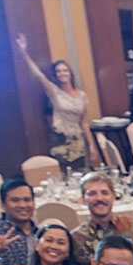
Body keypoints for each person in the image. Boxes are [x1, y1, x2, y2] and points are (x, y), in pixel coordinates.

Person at [15, 33, 95, 167]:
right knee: (63, 174)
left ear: (70, 73)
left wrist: (92, 145)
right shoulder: (54, 92)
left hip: (77, 140)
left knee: (80, 173)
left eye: (65, 70)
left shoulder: (82, 95)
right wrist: (24, 54)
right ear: (56, 75)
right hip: (59, 138)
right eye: (58, 71)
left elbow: (84, 123)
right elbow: (39, 75)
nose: (62, 74)